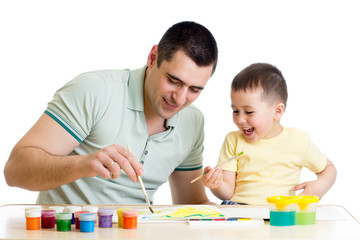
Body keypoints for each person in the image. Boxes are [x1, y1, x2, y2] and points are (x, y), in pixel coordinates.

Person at [4, 21, 218, 205]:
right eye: (173, 81)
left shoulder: (193, 121)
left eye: (194, 89)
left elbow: (192, 203)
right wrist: (83, 164)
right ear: (153, 58)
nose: (180, 99)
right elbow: (15, 171)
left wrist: (237, 202)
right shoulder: (96, 90)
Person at [202, 63, 337, 205]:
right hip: (239, 212)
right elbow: (227, 193)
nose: (240, 119)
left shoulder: (298, 141)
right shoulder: (233, 140)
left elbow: (329, 169)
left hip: (281, 214)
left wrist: (320, 187)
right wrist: (216, 184)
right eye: (235, 111)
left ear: (277, 111)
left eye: (249, 112)